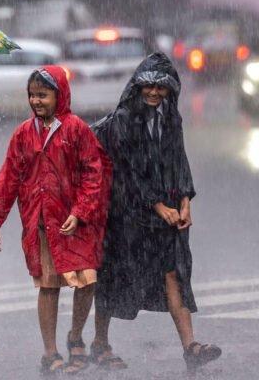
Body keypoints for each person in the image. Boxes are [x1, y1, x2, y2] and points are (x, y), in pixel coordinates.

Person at [90, 52, 221, 371]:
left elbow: (179, 159)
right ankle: (99, 343)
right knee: (114, 274)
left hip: (166, 211)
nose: (153, 93)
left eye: (160, 88)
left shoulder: (169, 117)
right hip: (126, 213)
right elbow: (130, 169)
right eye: (148, 86)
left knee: (173, 273)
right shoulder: (123, 120)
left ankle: (191, 347)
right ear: (137, 86)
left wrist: (185, 200)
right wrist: (158, 205)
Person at [0, 66, 110, 375]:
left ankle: (75, 335)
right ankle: (50, 353)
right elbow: (9, 177)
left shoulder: (76, 129)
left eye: (43, 94)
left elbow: (94, 174)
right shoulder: (24, 133)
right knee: (49, 286)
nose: (36, 101)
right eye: (32, 95)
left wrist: (80, 212)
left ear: (59, 95)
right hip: (42, 225)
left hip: (77, 223)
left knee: (87, 281)